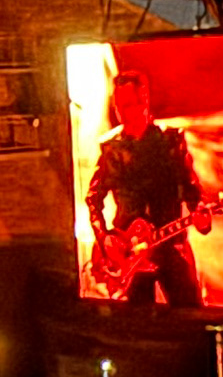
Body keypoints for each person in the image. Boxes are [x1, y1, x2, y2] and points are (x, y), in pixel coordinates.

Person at [84, 64, 210, 306]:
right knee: (137, 324)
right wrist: (105, 238)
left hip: (171, 245)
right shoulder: (111, 148)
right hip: (129, 253)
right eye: (118, 107)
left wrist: (202, 214)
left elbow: (191, 188)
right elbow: (93, 199)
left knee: (190, 315)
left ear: (145, 101)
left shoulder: (170, 140)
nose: (123, 113)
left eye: (129, 105)